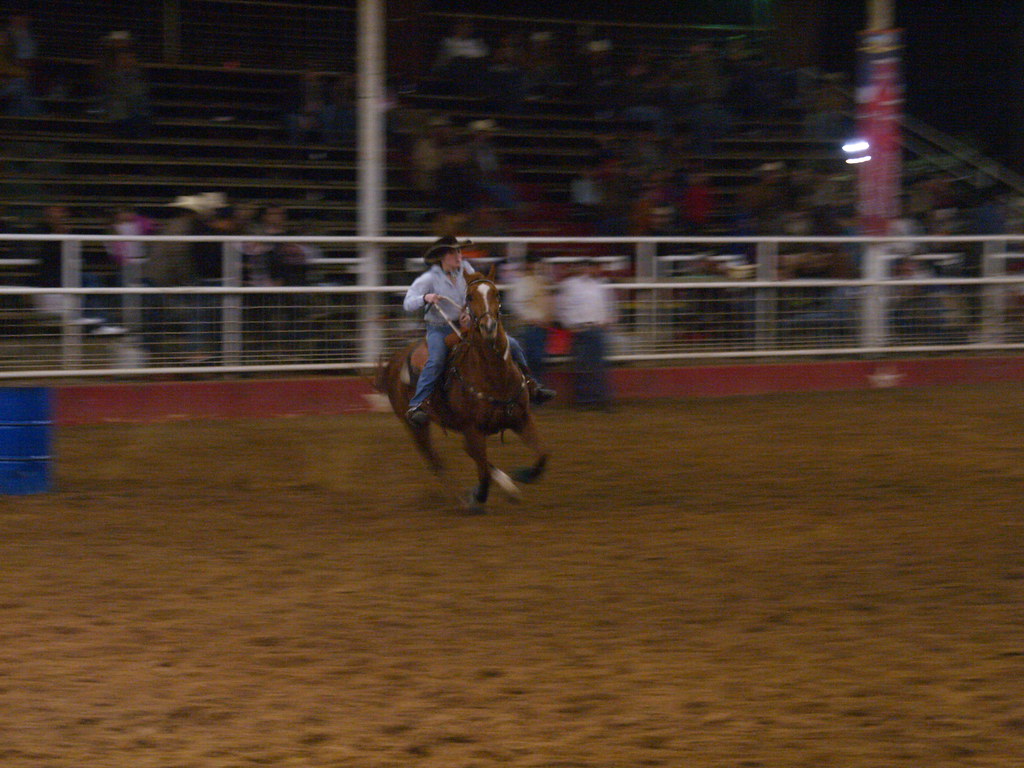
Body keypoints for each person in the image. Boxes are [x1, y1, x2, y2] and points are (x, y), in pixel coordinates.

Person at [402, 235, 555, 426]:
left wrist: (468, 312)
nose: (458, 255)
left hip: (465, 324)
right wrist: (426, 297)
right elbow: (407, 303)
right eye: (452, 252)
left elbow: (475, 292)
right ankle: (417, 404)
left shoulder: (466, 269)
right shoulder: (429, 278)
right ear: (442, 256)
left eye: (458, 251)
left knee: (511, 343)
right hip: (439, 328)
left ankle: (532, 385)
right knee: (437, 358)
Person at [556, 258, 614, 410]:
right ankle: (586, 401)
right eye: (590, 267)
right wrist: (571, 325)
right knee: (585, 366)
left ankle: (596, 400)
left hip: (595, 328)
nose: (592, 270)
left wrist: (606, 321)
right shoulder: (572, 285)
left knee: (596, 367)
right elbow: (562, 308)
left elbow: (609, 306)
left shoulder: (601, 284)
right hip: (581, 329)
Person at [508, 252, 555, 385]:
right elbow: (517, 305)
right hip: (531, 326)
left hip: (539, 326)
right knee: (534, 359)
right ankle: (532, 387)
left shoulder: (537, 281)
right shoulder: (524, 282)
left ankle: (533, 387)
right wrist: (531, 319)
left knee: (536, 359)